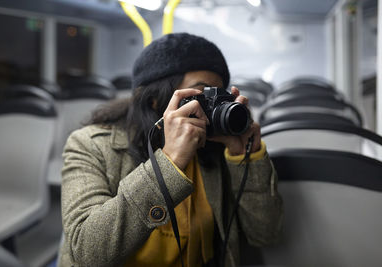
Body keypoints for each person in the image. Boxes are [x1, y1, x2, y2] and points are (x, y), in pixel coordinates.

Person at [59, 32, 283, 267]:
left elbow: (265, 234)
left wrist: (245, 157)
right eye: (202, 94)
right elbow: (86, 253)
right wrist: (170, 161)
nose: (211, 109)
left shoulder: (216, 149)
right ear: (155, 99)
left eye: (217, 97)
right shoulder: (91, 145)